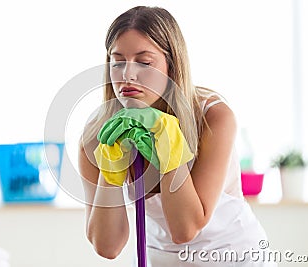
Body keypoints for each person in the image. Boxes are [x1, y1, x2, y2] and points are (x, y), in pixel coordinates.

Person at [79, 6, 274, 267]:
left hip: (235, 258)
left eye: (144, 62)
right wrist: (110, 167)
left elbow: (185, 229)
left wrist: (169, 146)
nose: (128, 74)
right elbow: (108, 246)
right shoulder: (96, 136)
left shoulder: (213, 118)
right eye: (117, 62)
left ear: (172, 65)